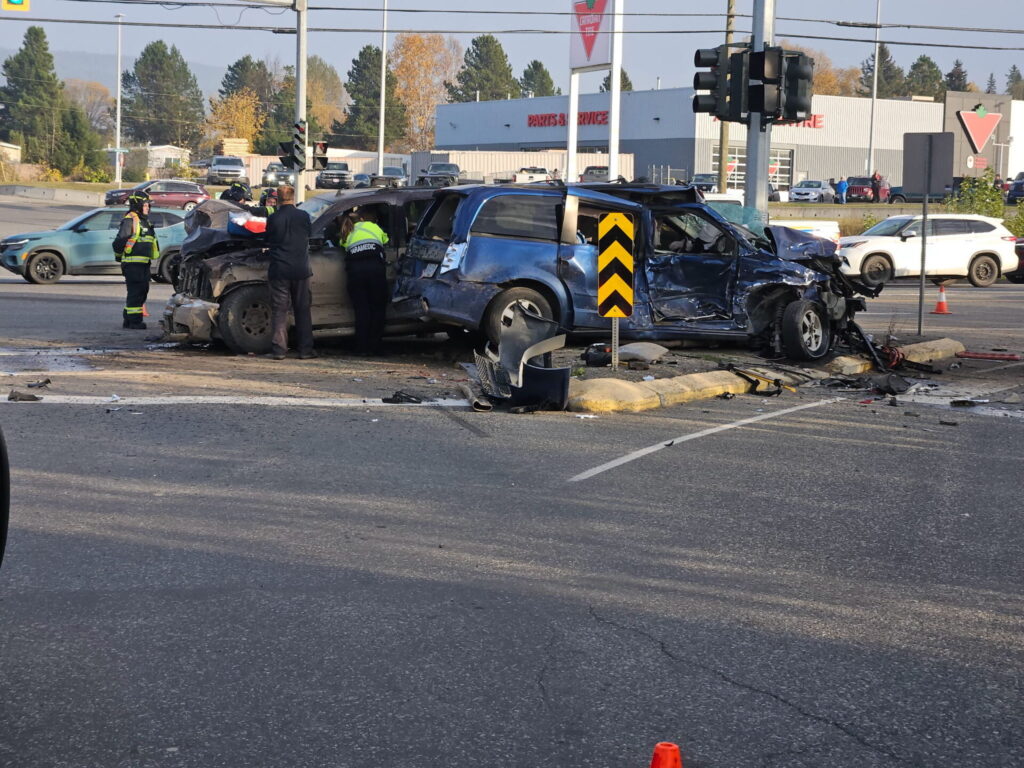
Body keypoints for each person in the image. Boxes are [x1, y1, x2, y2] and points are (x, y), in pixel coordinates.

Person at [265, 185, 315, 360]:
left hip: (279, 270)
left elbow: (268, 238)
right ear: (293, 198)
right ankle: (305, 350)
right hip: (301, 269)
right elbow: (311, 235)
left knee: (280, 310)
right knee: (302, 309)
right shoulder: (303, 216)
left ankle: (279, 350)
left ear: (277, 199)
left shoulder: (273, 218)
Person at [342, 209, 389, 355]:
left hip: (356, 273)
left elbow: (343, 245)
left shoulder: (350, 230)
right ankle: (375, 347)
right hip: (375, 271)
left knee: (361, 311)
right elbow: (385, 240)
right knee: (377, 309)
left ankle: (361, 348)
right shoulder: (376, 228)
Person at [112, 189, 158, 329]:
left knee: (141, 291)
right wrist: (122, 259)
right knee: (136, 293)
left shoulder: (145, 222)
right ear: (137, 205)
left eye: (148, 205)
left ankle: (128, 319)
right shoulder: (130, 220)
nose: (148, 208)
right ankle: (134, 321)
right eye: (145, 205)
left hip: (143, 264)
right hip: (133, 265)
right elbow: (119, 243)